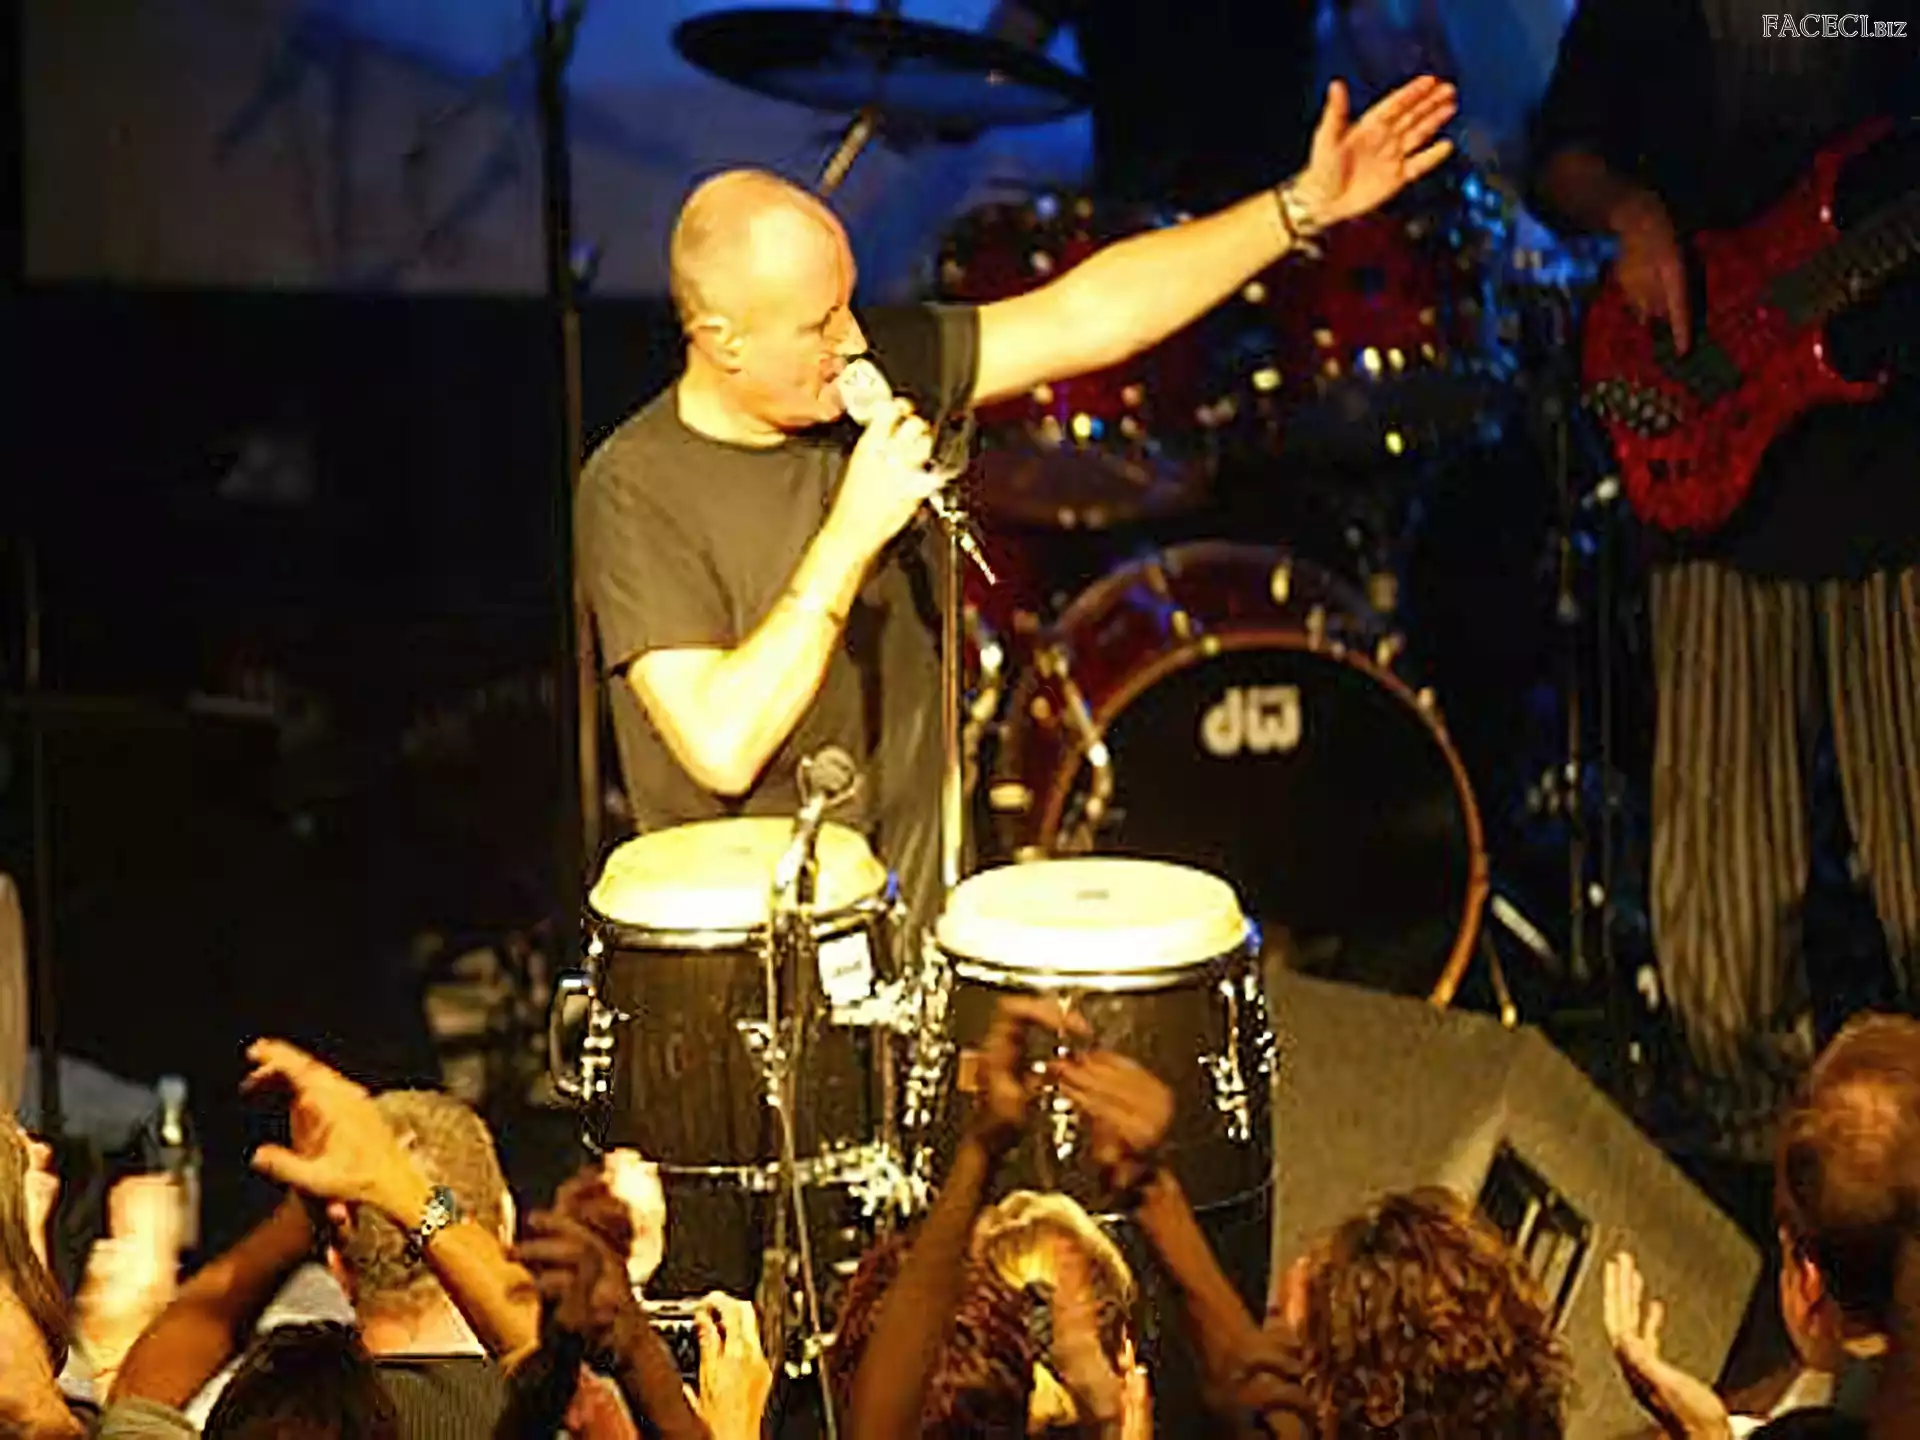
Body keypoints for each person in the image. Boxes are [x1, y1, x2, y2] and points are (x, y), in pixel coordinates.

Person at [575, 76, 1459, 944]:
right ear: (722, 340)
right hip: (748, 973)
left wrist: (1299, 208)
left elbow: (1091, 315)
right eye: (818, 325)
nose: (852, 341)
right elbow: (723, 744)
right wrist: (850, 533)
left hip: (913, 949)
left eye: (848, 305)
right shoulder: (636, 485)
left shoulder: (873, 374)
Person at [1527, 0, 1920, 1150]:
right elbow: (1563, 151)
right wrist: (1632, 213)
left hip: (1895, 470)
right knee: (1725, 912)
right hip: (1714, 453)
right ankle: (1757, 1176)